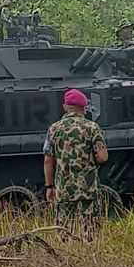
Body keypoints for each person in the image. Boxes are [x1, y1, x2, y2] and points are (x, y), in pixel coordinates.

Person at [43, 89, 108, 241]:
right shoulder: (92, 127)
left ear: (65, 107)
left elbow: (48, 160)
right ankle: (91, 255)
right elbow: (103, 157)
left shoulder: (54, 129)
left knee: (64, 228)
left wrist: (49, 186)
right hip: (88, 186)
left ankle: (66, 257)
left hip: (63, 187)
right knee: (91, 229)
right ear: (84, 108)